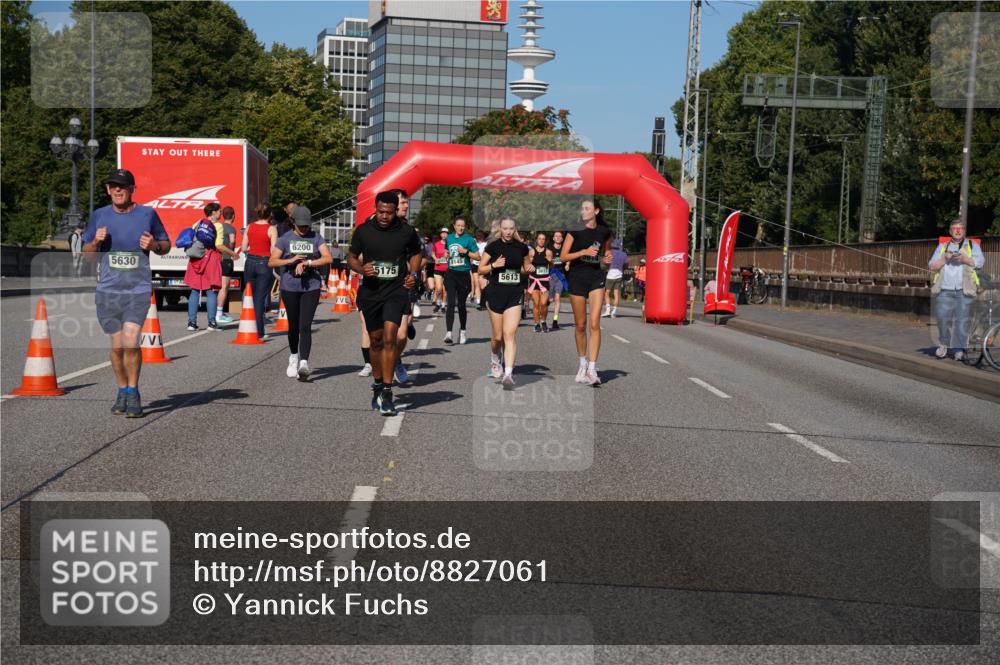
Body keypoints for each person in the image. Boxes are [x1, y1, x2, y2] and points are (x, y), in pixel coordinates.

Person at [82, 168, 170, 417]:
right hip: (108, 291)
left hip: (137, 290)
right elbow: (87, 257)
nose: (117, 190)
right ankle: (122, 389)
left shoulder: (147, 214)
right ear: (108, 190)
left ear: (132, 189)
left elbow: (166, 244)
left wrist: (154, 245)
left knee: (131, 342)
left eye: (122, 186)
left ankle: (133, 392)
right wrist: (95, 243)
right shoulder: (99, 216)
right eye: (113, 186)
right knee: (118, 346)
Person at [348, 191, 422, 415]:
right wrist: (361, 268)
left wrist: (414, 273)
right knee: (376, 341)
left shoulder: (406, 231)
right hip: (371, 293)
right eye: (381, 212)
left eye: (389, 213)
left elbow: (416, 253)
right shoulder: (363, 231)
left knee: (390, 338)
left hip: (395, 291)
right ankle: (378, 385)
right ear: (375, 208)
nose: (384, 216)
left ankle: (388, 393)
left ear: (395, 211)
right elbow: (351, 257)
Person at [269, 206, 332, 380]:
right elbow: (272, 262)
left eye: (306, 225)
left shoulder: (316, 237)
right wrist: (291, 260)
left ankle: (304, 363)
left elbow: (328, 258)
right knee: (294, 326)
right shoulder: (284, 239)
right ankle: (294, 356)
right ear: (293, 222)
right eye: (301, 225)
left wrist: (309, 263)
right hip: (290, 287)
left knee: (305, 325)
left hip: (311, 286)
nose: (304, 229)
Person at [562, 199, 612, 385]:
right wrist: (582, 252)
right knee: (581, 325)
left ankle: (592, 368)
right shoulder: (575, 230)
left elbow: (606, 255)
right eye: (581, 208)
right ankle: (582, 363)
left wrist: (607, 258)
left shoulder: (604, 231)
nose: (583, 211)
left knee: (594, 323)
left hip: (596, 277)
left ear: (596, 211)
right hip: (577, 277)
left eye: (587, 208)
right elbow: (563, 256)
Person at [479, 217, 532, 388]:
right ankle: (495, 359)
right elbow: (481, 269)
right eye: (505, 228)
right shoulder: (493, 246)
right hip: (495, 293)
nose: (508, 231)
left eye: (511, 228)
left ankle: (508, 374)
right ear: (500, 229)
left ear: (514, 229)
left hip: (514, 294)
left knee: (509, 334)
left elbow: (524, 268)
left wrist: (528, 269)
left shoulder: (522, 247)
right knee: (497, 337)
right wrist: (494, 265)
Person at [928, 218, 984, 361]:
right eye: (955, 228)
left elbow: (980, 263)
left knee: (962, 321)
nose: (958, 231)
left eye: (960, 228)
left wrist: (966, 260)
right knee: (942, 319)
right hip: (944, 290)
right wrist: (944, 259)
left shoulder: (972, 245)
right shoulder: (942, 246)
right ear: (950, 231)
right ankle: (944, 345)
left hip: (964, 290)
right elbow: (932, 266)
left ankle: (958, 349)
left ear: (964, 231)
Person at [241, 202, 278, 341]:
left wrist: (253, 249)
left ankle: (246, 325)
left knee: (249, 295)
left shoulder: (250, 226)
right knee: (259, 298)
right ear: (270, 214)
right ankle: (259, 332)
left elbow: (244, 247)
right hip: (264, 263)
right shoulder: (272, 229)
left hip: (250, 262)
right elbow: (273, 250)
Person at [184, 202, 223, 331]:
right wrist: (233, 254)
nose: (220, 213)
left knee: (195, 290)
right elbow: (218, 245)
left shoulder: (198, 223)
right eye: (219, 211)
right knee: (211, 290)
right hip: (210, 258)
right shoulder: (217, 226)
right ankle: (211, 323)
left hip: (196, 259)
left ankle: (191, 323)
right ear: (214, 212)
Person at [443, 215, 480, 344]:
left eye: (462, 225)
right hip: (451, 274)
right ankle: (448, 333)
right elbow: (446, 251)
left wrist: (466, 252)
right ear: (454, 226)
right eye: (458, 225)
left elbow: (478, 256)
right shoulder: (449, 238)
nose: (460, 227)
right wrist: (446, 254)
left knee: (461, 305)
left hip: (464, 275)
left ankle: (463, 331)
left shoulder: (469, 239)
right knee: (451, 302)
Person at [215, 205, 241, 324]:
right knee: (224, 287)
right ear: (233, 216)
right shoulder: (231, 229)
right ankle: (219, 313)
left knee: (216, 287)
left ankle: (215, 312)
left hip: (216, 259)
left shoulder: (218, 227)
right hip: (226, 260)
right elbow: (231, 241)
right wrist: (232, 251)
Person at [528, 231, 553, 332]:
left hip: (544, 281)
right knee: (536, 303)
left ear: (545, 241)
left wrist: (550, 261)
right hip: (534, 280)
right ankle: (536, 323)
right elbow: (527, 265)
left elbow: (552, 266)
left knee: (543, 303)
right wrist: (530, 263)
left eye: (543, 239)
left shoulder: (548, 252)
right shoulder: (531, 252)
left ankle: (543, 321)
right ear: (536, 240)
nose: (541, 241)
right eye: (539, 239)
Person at [602, 238, 629, 318]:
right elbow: (626, 265)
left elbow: (606, 264)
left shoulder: (610, 253)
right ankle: (614, 312)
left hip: (610, 274)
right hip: (619, 274)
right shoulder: (624, 254)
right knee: (616, 294)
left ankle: (607, 310)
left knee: (606, 293)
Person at [548, 229, 569, 330]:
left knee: (557, 298)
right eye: (556, 236)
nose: (558, 238)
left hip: (560, 276)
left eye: (559, 236)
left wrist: (568, 265)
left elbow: (568, 258)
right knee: (549, 299)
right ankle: (543, 314)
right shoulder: (549, 249)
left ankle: (555, 321)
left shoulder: (564, 249)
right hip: (550, 275)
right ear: (553, 238)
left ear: (562, 238)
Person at [431, 227, 449, 311]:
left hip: (447, 269)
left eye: (446, 233)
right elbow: (433, 254)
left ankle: (443, 305)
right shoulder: (436, 244)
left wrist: (449, 256)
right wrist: (435, 259)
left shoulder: (450, 244)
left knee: (445, 290)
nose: (444, 234)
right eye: (443, 233)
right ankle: (438, 303)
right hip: (438, 268)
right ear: (441, 234)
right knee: (438, 288)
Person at [472, 229, 487, 309]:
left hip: (483, 265)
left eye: (480, 235)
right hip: (474, 265)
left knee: (482, 284)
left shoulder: (486, 244)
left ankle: (483, 300)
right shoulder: (473, 244)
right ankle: (478, 301)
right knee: (476, 283)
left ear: (483, 236)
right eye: (477, 235)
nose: (479, 236)